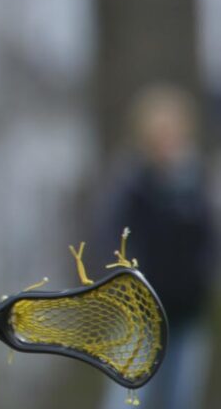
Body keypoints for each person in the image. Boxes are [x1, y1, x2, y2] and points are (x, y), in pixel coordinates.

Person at [97, 84, 216, 409]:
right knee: (126, 398)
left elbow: (208, 241)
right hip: (139, 316)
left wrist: (201, 278)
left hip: (187, 314)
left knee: (180, 399)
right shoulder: (132, 184)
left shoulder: (197, 183)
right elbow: (113, 240)